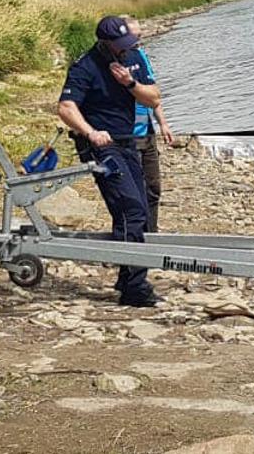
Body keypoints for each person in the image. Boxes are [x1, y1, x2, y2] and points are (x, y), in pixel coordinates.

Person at [57, 15, 161, 307]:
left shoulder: (133, 57)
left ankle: (127, 277)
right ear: (105, 43)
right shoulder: (85, 66)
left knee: (139, 208)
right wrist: (90, 132)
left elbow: (153, 98)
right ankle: (135, 288)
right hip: (101, 147)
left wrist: (130, 83)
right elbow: (66, 108)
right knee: (131, 209)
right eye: (120, 44)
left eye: (128, 42)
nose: (126, 48)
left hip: (128, 142)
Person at [123, 17, 174, 232]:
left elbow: (153, 94)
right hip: (126, 134)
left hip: (147, 130)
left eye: (140, 35)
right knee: (134, 190)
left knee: (153, 187)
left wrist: (163, 123)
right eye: (135, 36)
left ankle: (151, 232)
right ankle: (133, 233)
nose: (139, 39)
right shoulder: (111, 61)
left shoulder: (140, 55)